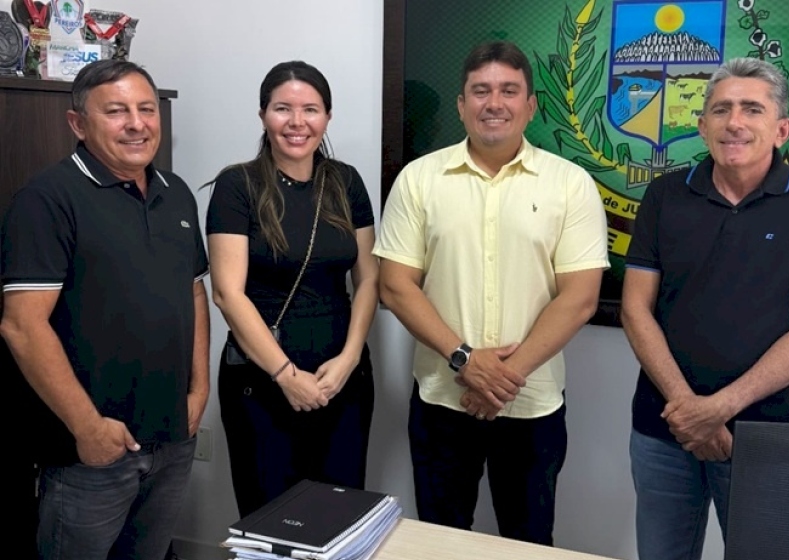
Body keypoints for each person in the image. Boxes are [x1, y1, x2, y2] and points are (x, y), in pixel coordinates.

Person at [374, 40, 609, 545]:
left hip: (531, 406)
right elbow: (395, 287)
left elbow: (581, 297)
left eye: (508, 90)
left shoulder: (570, 184)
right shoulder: (418, 180)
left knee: (527, 543)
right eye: (480, 91)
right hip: (442, 400)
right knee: (441, 540)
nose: (493, 103)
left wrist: (504, 375)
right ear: (461, 104)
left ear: (531, 106)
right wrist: (465, 359)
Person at [621, 57, 789, 560]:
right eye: (721, 109)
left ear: (781, 128)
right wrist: (689, 412)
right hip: (664, 429)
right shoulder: (663, 196)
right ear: (702, 126)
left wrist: (715, 411)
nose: (735, 123)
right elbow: (636, 310)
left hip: (772, 436)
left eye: (752, 109)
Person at [0, 59, 210, 560]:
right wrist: (88, 427)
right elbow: (21, 326)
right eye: (116, 111)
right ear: (78, 123)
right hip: (91, 453)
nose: (137, 124)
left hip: (172, 437)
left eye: (146, 109)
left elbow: (194, 294)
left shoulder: (175, 194)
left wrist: (199, 391)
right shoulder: (46, 201)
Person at [206, 60, 379, 518]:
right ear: (263, 114)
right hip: (261, 384)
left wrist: (349, 358)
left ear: (327, 116)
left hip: (342, 380)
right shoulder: (237, 185)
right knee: (271, 521)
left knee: (338, 517)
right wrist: (286, 375)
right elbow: (227, 293)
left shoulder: (346, 182)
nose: (297, 122)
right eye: (283, 108)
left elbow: (367, 279)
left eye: (311, 109)